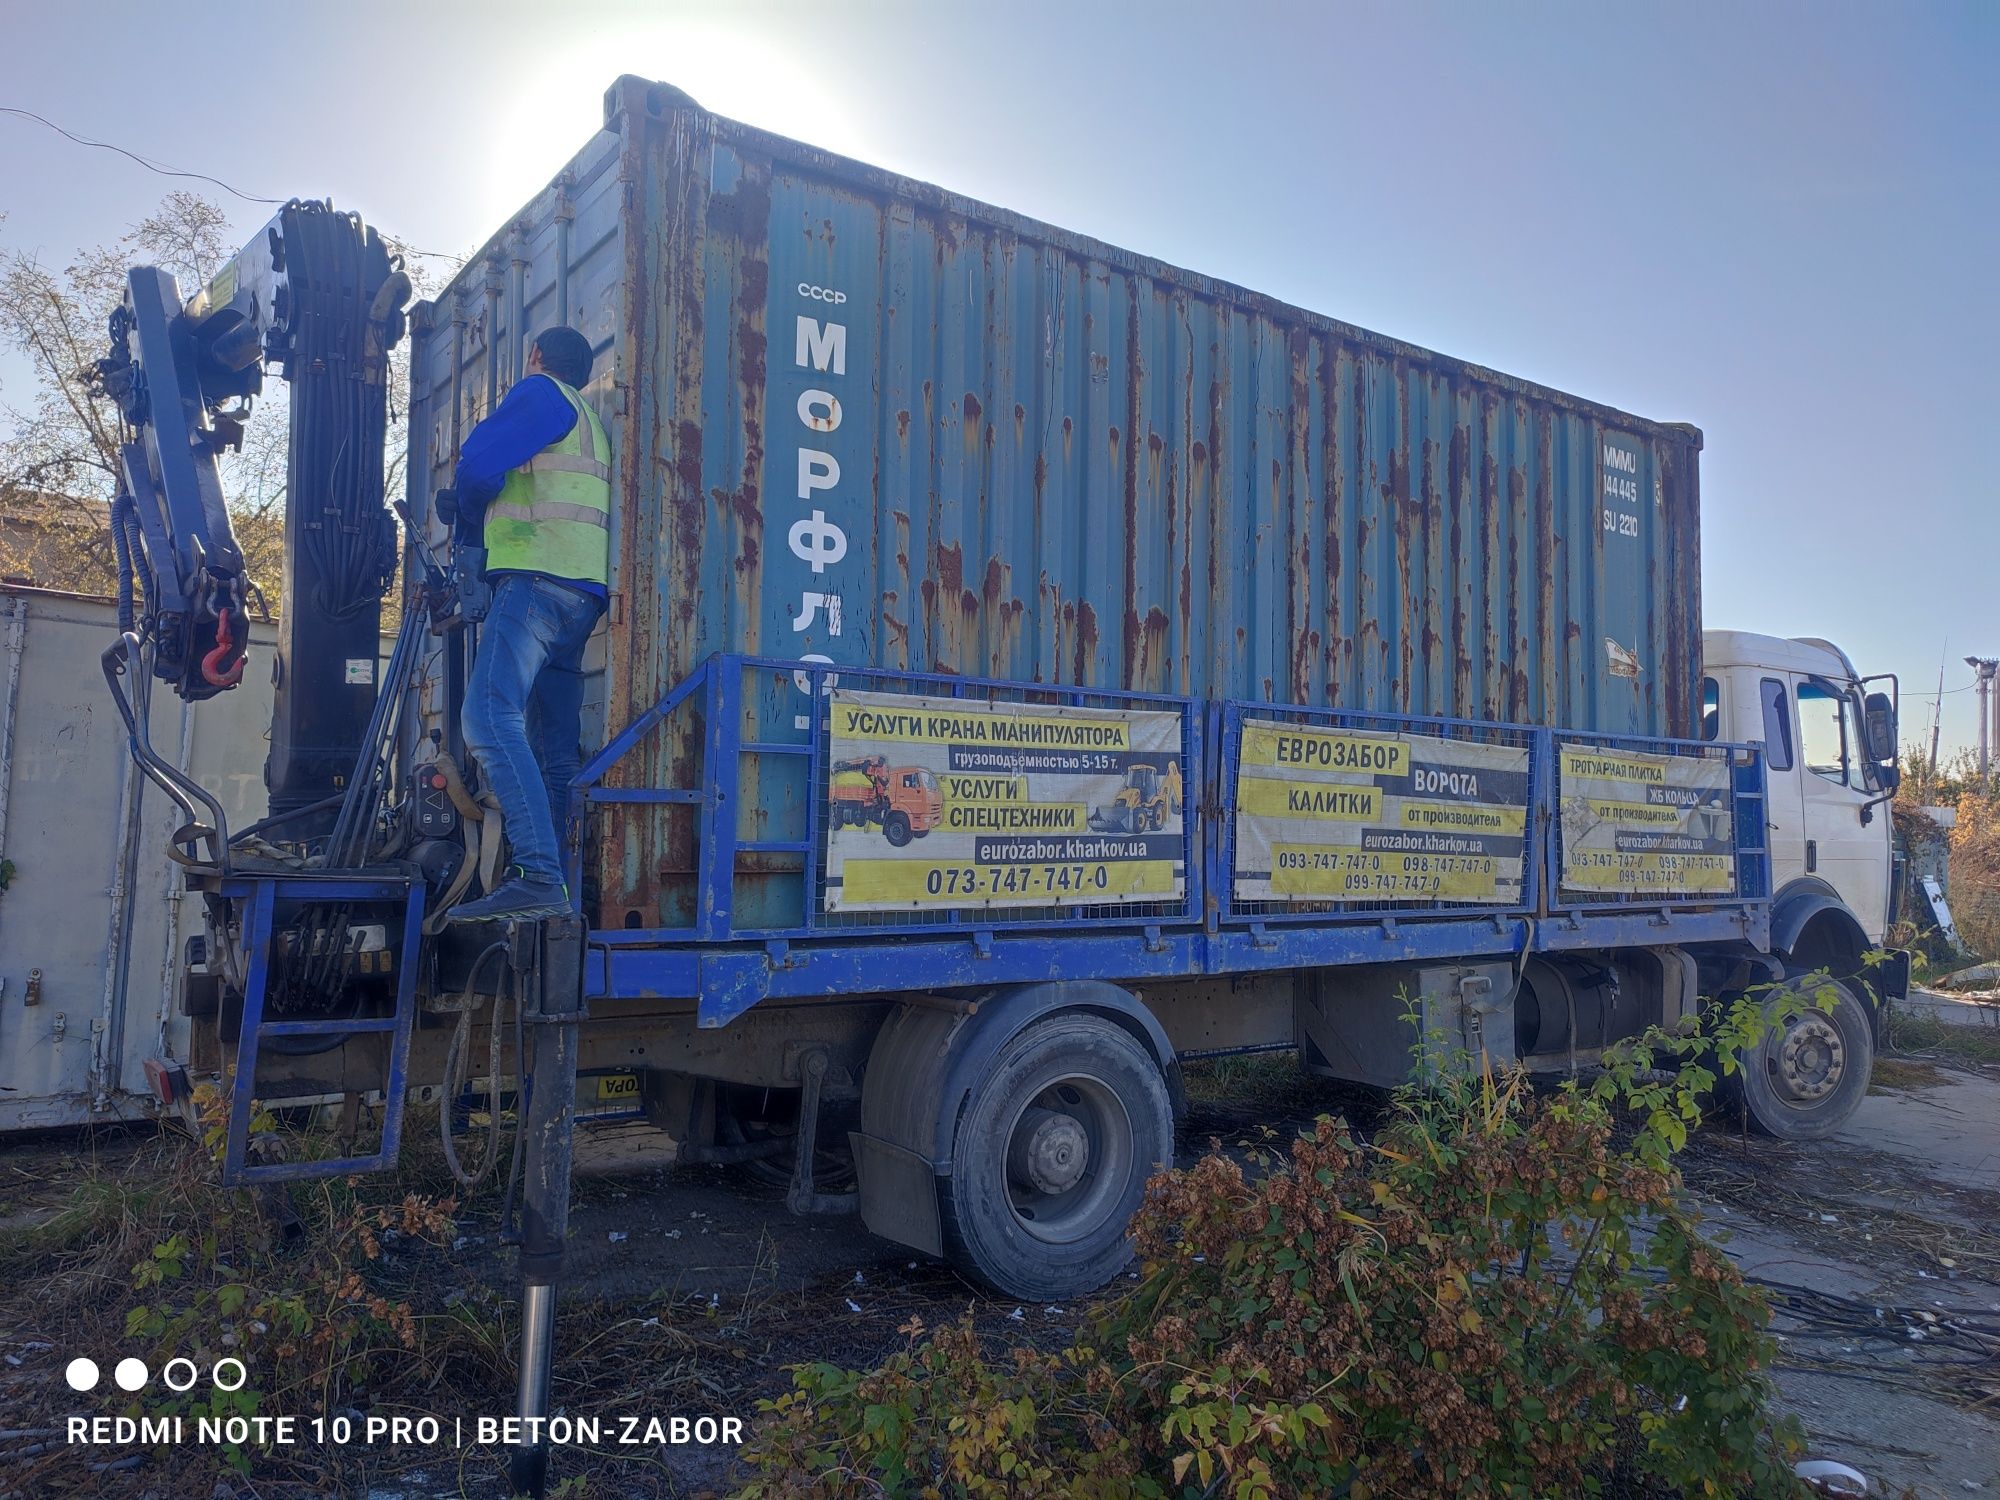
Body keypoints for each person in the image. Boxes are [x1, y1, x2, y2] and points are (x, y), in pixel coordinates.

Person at [443, 325, 610, 922]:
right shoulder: (589, 421)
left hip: (536, 583)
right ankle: (568, 886)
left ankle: (538, 876)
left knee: (487, 714)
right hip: (580, 598)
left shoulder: (541, 392)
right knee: (553, 750)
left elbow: (477, 465)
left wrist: (463, 510)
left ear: (536, 356)